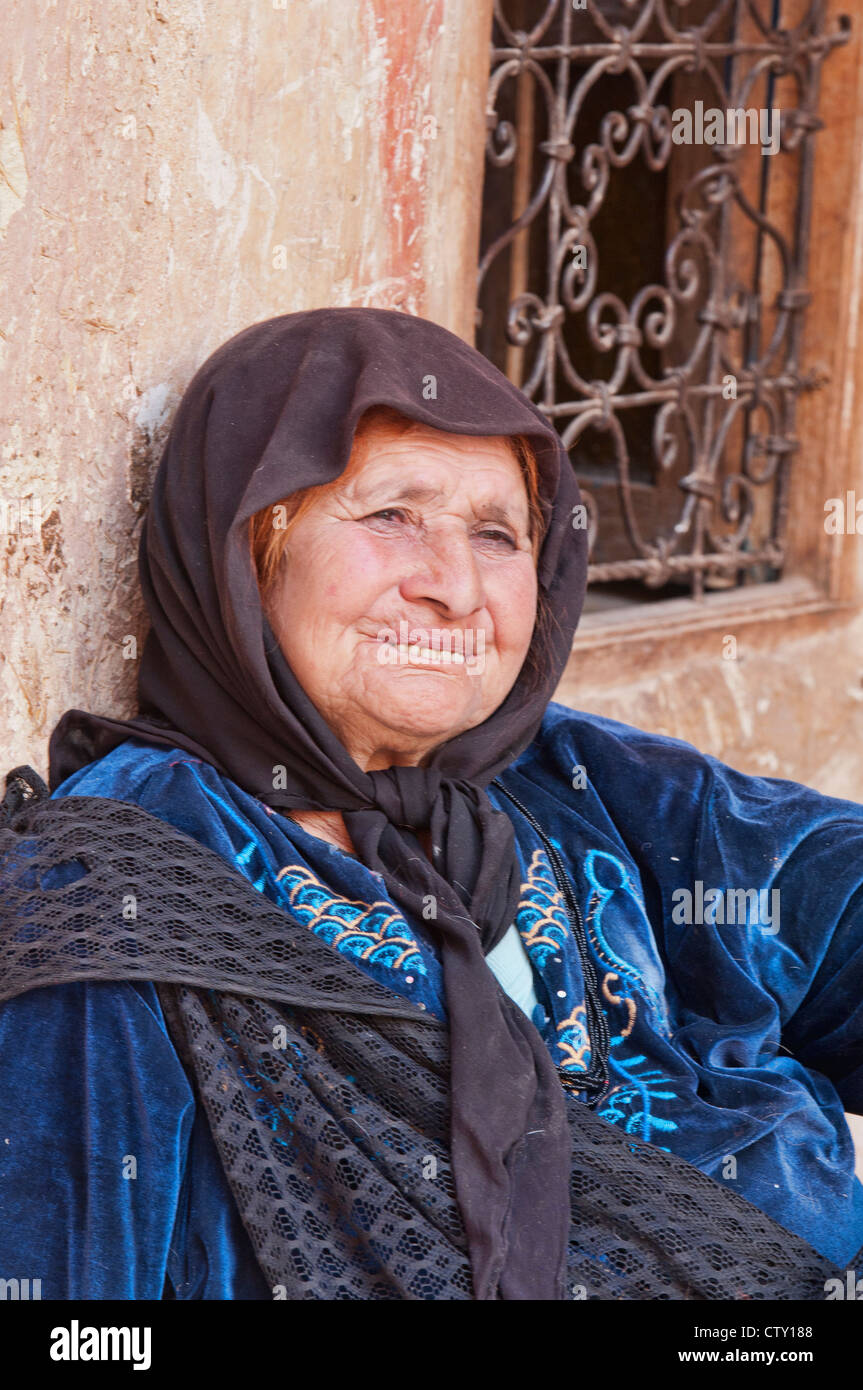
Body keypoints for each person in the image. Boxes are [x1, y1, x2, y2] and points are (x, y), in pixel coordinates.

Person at [0, 307, 861, 1301]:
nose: (454, 587)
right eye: (389, 515)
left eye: (496, 534)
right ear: (248, 554)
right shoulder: (114, 889)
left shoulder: (557, 781)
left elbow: (827, 898)